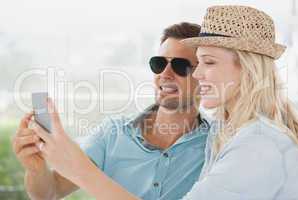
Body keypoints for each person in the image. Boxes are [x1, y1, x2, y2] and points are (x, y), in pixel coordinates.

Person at [12, 22, 210, 200]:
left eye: (180, 65)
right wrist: (36, 169)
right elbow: (49, 192)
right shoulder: (112, 133)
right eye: (159, 64)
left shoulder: (215, 144)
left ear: (204, 76)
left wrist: (78, 166)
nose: (165, 74)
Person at [181, 5, 298, 199]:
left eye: (209, 62)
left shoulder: (258, 143)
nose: (196, 74)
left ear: (247, 69)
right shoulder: (223, 131)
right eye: (198, 62)